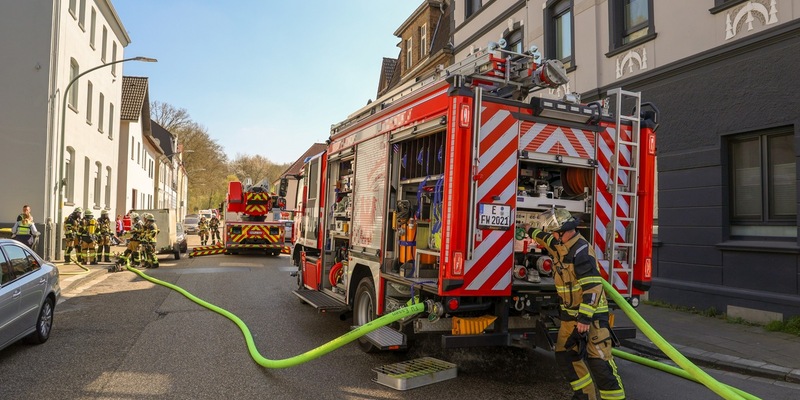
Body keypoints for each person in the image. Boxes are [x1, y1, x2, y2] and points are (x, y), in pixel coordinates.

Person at [527, 208, 625, 400]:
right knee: (565, 356)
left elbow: (593, 288)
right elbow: (544, 238)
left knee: (600, 364)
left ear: (563, 232)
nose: (553, 236)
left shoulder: (581, 252)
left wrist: (585, 318)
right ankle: (585, 396)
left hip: (591, 317)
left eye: (555, 233)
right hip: (570, 316)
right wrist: (529, 229)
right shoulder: (558, 244)